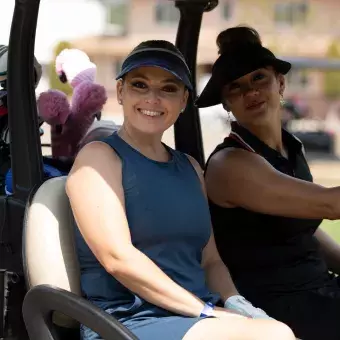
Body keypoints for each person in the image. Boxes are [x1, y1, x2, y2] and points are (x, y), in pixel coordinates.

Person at [66, 39, 296, 340]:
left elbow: (210, 260)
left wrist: (236, 302)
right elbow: (117, 258)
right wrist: (203, 310)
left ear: (184, 100)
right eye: (140, 85)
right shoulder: (99, 158)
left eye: (168, 89)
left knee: (276, 330)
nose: (153, 98)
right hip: (128, 323)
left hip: (194, 316)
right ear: (120, 92)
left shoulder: (190, 168)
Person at [196, 25, 340, 340]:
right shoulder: (230, 164)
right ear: (226, 103)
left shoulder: (291, 147)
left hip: (319, 290)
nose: (251, 92)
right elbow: (329, 204)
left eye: (259, 78)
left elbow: (307, 227)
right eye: (236, 87)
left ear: (281, 83)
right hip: (275, 306)